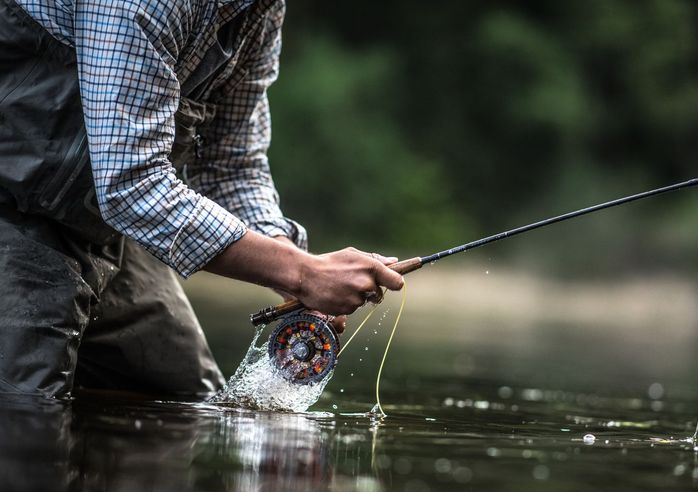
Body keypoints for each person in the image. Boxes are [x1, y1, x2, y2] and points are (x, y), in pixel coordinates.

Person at [0, 0, 404, 399]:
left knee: (191, 400)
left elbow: (230, 164)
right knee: (26, 416)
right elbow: (130, 186)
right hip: (14, 208)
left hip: (102, 225)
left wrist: (296, 272)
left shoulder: (260, 9)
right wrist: (300, 273)